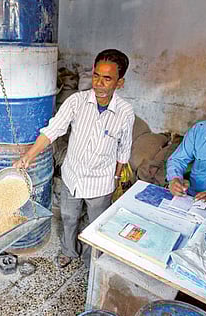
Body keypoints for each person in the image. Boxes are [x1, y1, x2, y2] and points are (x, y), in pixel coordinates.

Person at [14, 49, 134, 267]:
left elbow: (124, 150)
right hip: (73, 176)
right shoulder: (76, 102)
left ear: (120, 82)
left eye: (107, 79)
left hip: (101, 181)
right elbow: (52, 131)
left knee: (95, 223)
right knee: (69, 218)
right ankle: (69, 251)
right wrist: (28, 157)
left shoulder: (125, 112)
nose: (99, 83)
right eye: (96, 75)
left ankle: (90, 259)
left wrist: (115, 180)